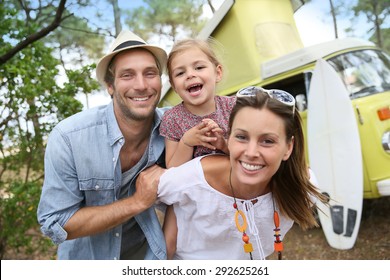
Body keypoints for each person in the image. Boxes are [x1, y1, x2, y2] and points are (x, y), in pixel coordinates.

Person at [37, 30, 168, 260]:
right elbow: (56, 222)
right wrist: (137, 202)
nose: (141, 85)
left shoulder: (174, 129)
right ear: (110, 85)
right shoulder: (69, 138)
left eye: (150, 73)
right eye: (127, 75)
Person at [157, 86, 328, 260]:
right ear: (228, 138)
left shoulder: (303, 188)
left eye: (267, 141)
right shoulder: (190, 179)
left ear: (288, 147)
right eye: (242, 137)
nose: (251, 152)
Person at [158, 38, 236, 258]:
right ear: (174, 86)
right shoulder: (173, 118)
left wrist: (222, 144)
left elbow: (246, 151)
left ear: (217, 73)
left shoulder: (233, 108)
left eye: (199, 67)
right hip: (188, 191)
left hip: (226, 186)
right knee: (169, 239)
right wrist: (187, 141)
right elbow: (172, 168)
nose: (190, 75)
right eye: (180, 73)